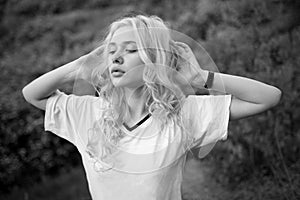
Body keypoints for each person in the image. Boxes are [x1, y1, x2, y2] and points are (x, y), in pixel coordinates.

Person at [22, 14, 282, 200]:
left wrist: (200, 78)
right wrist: (77, 67)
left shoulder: (183, 114)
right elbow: (32, 94)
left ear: (155, 60)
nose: (116, 57)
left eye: (131, 49)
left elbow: (268, 97)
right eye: (111, 51)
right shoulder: (89, 112)